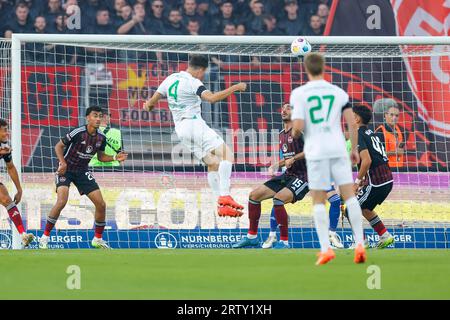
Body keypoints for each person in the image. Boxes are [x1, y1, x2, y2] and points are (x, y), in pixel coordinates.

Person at [143, 55, 247, 217]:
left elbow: (150, 104)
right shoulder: (193, 82)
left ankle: (219, 205)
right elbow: (212, 98)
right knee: (227, 155)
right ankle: (225, 195)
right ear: (200, 70)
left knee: (212, 163)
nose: (203, 76)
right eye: (204, 73)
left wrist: (147, 106)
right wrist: (235, 87)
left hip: (181, 130)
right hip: (194, 124)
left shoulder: (170, 79)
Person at [291, 53, 366, 265]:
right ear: (324, 67)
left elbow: (296, 128)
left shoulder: (299, 93)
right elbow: (352, 123)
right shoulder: (338, 92)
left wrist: (297, 134)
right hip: (338, 148)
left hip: (316, 151)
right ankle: (359, 244)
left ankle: (326, 249)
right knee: (349, 196)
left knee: (318, 199)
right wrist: (355, 148)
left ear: (306, 68)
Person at [39, 106, 128, 249]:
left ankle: (97, 239)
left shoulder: (101, 137)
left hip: (82, 171)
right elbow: (58, 146)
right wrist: (62, 163)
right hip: (66, 169)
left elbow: (101, 157)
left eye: (100, 116)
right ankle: (44, 237)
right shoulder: (78, 132)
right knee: (62, 201)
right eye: (95, 116)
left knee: (101, 204)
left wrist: (115, 157)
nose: (98, 119)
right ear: (88, 118)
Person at [233, 103, 309, 249]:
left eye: (289, 108)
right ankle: (252, 237)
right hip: (288, 175)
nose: (284, 110)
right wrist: (276, 165)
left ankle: (284, 242)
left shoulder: (299, 130)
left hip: (304, 176)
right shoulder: (281, 134)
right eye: (283, 108)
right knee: (254, 195)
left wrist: (294, 159)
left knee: (278, 199)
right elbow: (288, 157)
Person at [351, 105, 395, 248]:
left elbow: (368, 160)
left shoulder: (358, 135)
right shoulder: (372, 133)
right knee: (365, 208)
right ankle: (385, 236)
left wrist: (357, 182)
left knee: (350, 207)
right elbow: (377, 158)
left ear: (357, 118)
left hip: (377, 181)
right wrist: (365, 179)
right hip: (386, 180)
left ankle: (360, 242)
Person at [0, 119, 35, 248]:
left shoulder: (4, 146)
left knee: (7, 200)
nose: (7, 133)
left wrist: (19, 189)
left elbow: (10, 168)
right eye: (4, 130)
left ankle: (23, 235)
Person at [375, 100, 405, 168]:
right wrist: (395, 153)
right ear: (385, 115)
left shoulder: (399, 131)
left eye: (397, 116)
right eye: (391, 115)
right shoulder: (380, 132)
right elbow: (376, 154)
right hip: (385, 170)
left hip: (400, 170)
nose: (394, 118)